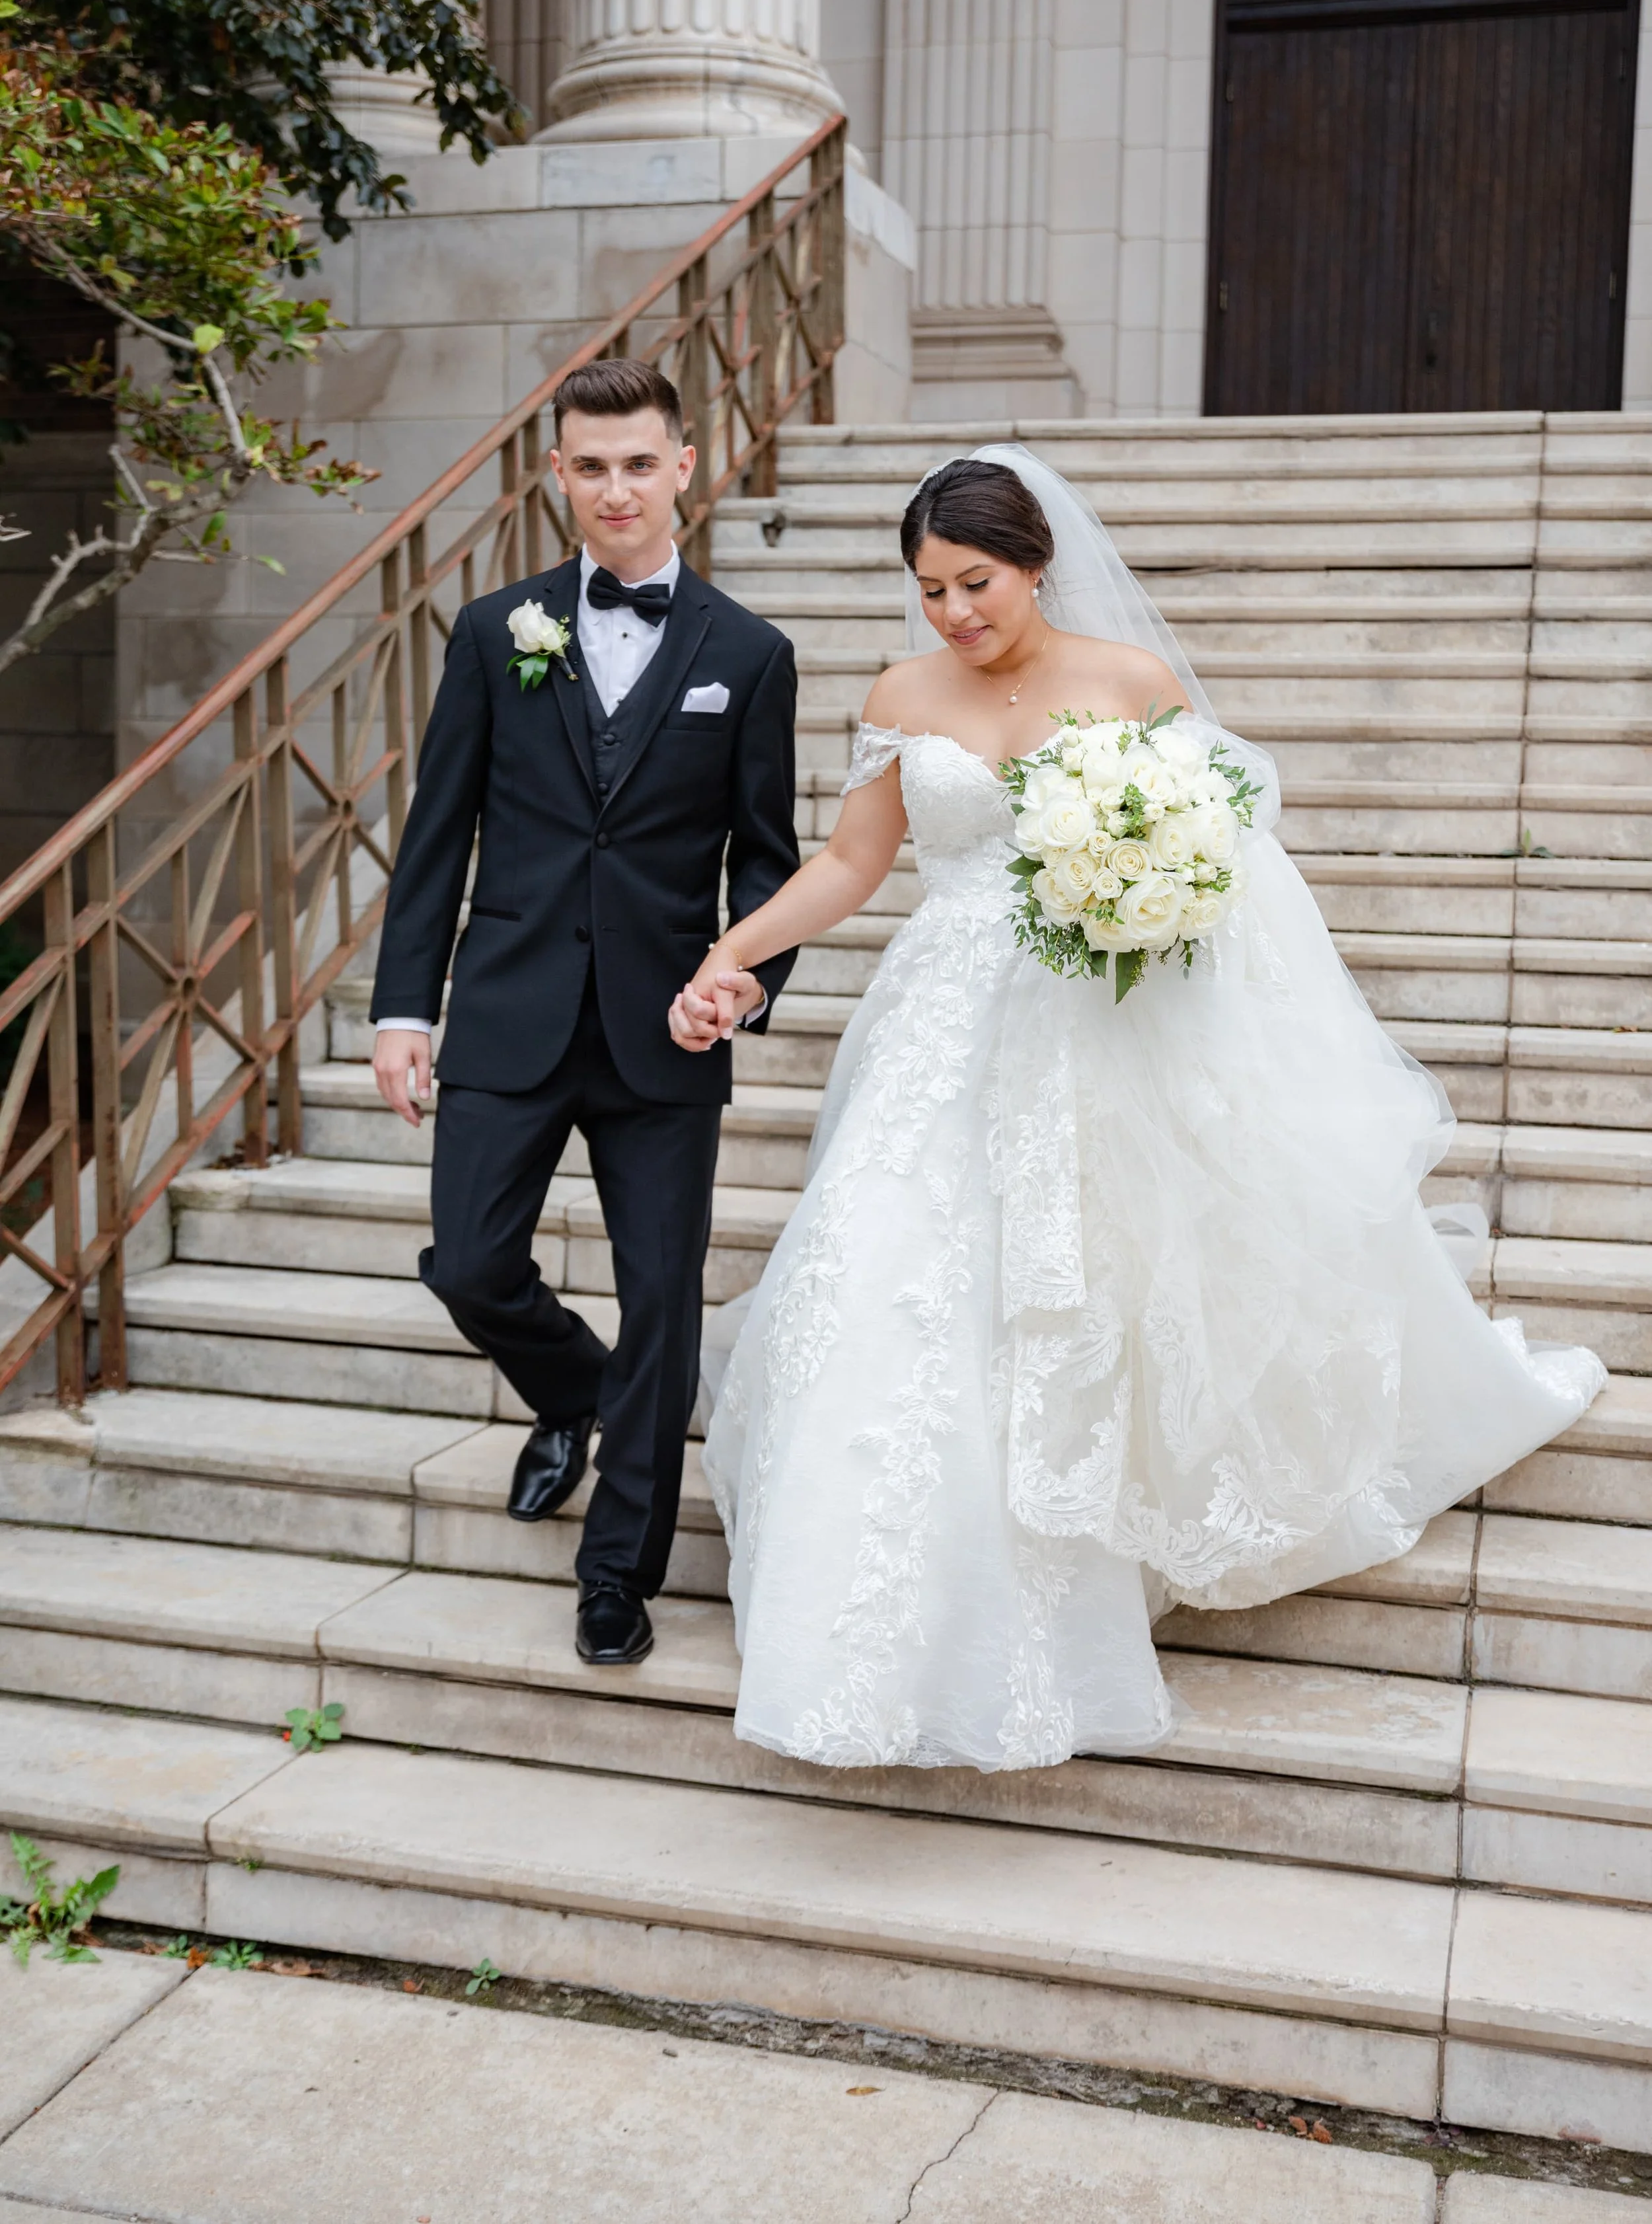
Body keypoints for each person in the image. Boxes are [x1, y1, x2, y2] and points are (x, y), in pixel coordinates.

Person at [672, 446, 1604, 1773]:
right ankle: (859, 1628)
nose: (951, 614)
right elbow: (850, 863)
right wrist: (731, 955)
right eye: (929, 589)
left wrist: (1144, 893)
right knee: (887, 1282)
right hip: (940, 1024)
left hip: (1098, 1026)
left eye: (974, 583)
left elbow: (1224, 863)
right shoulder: (899, 695)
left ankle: (1072, 1565)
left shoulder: (1130, 687)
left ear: (1034, 565)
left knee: (1084, 1293)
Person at [372, 358, 798, 1669]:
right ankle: (571, 1391)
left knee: (663, 1301)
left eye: (637, 461)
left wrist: (743, 975)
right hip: (507, 1006)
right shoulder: (496, 633)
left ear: (681, 464)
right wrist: (402, 1008)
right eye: (589, 466)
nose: (615, 488)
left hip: (664, 1026)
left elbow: (768, 856)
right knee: (468, 1262)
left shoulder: (749, 653)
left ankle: (620, 1574)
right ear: (557, 477)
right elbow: (439, 833)